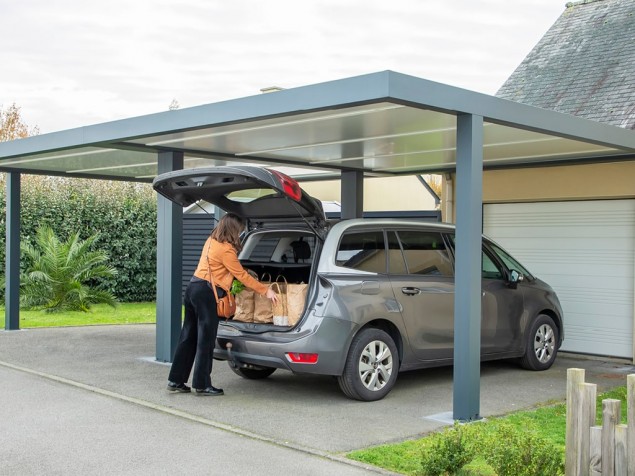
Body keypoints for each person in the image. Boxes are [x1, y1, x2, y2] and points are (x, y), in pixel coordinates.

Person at [167, 213, 278, 396]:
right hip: (207, 294)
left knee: (188, 336)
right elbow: (241, 275)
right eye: (240, 230)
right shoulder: (227, 250)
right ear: (233, 229)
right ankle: (202, 385)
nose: (241, 233)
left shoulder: (210, 241)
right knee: (206, 340)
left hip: (193, 287)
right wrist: (266, 290)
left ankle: (176, 380)